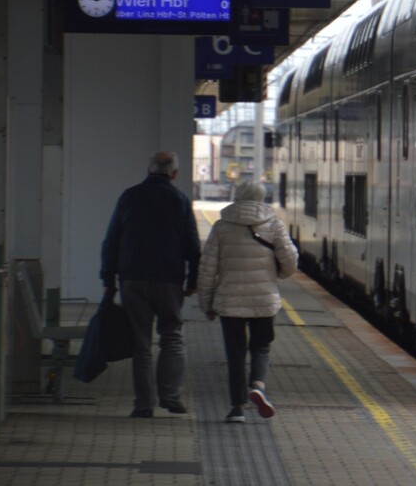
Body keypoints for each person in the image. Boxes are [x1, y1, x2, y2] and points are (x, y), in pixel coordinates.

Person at [100, 150, 201, 418]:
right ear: (174, 173)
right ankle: (170, 397)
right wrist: (193, 280)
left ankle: (144, 405)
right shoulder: (179, 200)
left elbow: (112, 240)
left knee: (141, 343)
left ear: (148, 171)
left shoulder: (129, 197)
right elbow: (192, 244)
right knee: (172, 337)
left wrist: (108, 280)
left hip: (132, 278)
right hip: (169, 279)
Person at [197, 180, 299, 423]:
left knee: (235, 354)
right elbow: (290, 258)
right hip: (264, 299)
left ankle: (236, 408)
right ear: (262, 198)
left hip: (229, 301)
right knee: (261, 347)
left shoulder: (221, 226)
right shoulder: (273, 224)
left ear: (238, 196)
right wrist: (279, 275)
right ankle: (258, 386)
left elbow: (207, 269)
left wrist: (206, 303)